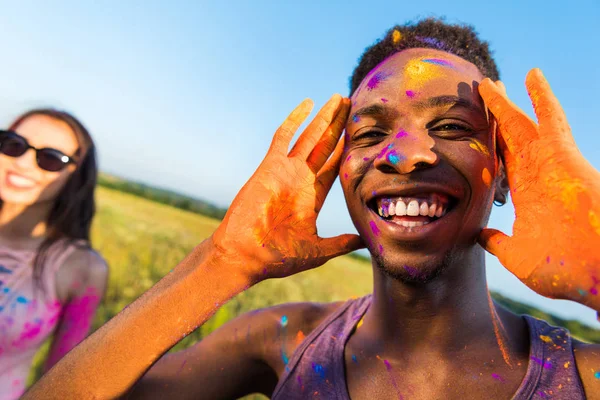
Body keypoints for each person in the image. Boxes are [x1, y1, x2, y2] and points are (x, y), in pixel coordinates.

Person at [24, 18, 600, 400]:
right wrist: (222, 263)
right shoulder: (283, 341)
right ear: (337, 170)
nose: (403, 156)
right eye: (370, 134)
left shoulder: (581, 376)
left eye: (450, 127)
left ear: (505, 173)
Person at [0, 109, 108, 399]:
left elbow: (59, 384)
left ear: (76, 177)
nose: (21, 163)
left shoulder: (81, 268)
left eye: (51, 158)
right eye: (13, 144)